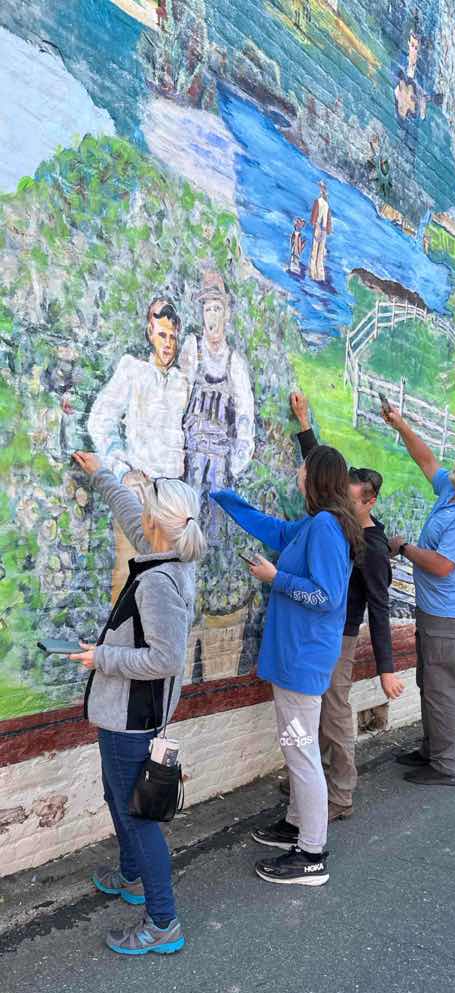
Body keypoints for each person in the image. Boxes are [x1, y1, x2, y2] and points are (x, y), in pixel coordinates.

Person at [70, 451, 206, 956]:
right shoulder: (167, 553)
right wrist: (101, 474)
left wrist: (101, 657)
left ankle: (163, 922)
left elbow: (166, 659)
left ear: (156, 524)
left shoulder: (158, 582)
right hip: (124, 713)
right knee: (117, 799)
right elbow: (130, 512)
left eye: (145, 508)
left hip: (133, 718)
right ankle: (131, 877)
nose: (138, 514)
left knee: (139, 820)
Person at [211, 445, 365, 886]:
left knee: (301, 754)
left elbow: (326, 597)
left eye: (302, 470)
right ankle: (296, 824)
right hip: (295, 659)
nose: (296, 474)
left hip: (303, 662)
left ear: (315, 478)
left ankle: (312, 854)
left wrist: (275, 578)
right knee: (298, 748)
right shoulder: (315, 524)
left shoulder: (325, 527)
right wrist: (226, 499)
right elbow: (276, 532)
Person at [260, 391, 404, 827]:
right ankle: (306, 791)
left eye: (352, 498)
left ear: (369, 501)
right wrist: (305, 425)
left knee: (334, 714)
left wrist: (387, 667)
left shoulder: (371, 545)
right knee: (305, 726)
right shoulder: (336, 522)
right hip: (313, 638)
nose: (342, 500)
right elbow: (321, 474)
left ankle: (336, 795)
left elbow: (379, 609)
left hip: (334, 640)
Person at [382, 406, 455, 785]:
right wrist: (401, 424)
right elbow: (426, 459)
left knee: (442, 686)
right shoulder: (453, 489)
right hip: (435, 609)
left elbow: (442, 565)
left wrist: (402, 548)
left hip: (447, 614)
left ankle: (446, 766)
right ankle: (431, 750)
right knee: (429, 680)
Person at [87, 297, 187, 601]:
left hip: (172, 502)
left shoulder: (183, 381)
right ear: (149, 332)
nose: (167, 344)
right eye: (161, 335)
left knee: (166, 587)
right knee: (129, 580)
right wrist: (122, 470)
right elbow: (99, 420)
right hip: (139, 497)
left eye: (172, 337)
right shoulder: (133, 371)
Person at [179, 270, 255, 522]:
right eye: (208, 309)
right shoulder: (192, 349)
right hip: (191, 457)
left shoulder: (235, 363)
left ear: (227, 314)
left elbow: (245, 419)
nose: (212, 316)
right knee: (184, 523)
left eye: (217, 309)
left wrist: (236, 464)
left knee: (214, 529)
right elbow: (176, 402)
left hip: (220, 463)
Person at [309, 181, 332, 283]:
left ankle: (316, 274)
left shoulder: (321, 202)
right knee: (318, 251)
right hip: (321, 229)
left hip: (321, 228)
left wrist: (324, 229)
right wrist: (325, 230)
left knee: (317, 251)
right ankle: (317, 274)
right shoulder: (323, 203)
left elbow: (317, 218)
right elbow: (325, 220)